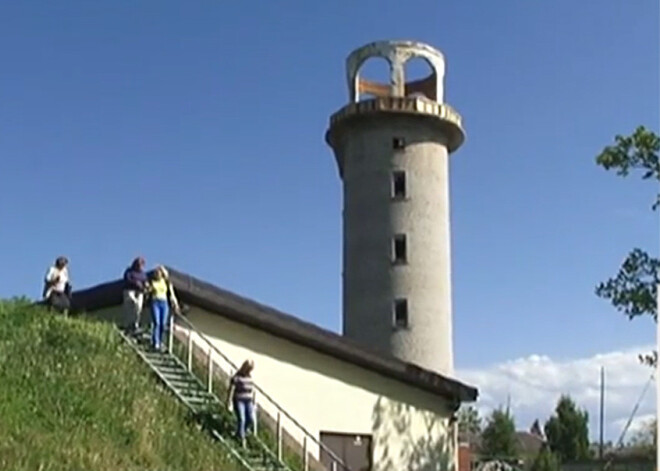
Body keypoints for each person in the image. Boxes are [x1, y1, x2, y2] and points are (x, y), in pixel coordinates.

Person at [146, 265, 179, 351]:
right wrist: (148, 288)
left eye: (159, 273)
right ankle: (155, 342)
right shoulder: (152, 282)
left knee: (163, 324)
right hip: (155, 301)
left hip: (164, 302)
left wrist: (174, 302)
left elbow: (171, 293)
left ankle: (161, 341)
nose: (157, 274)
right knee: (156, 322)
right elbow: (148, 291)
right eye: (156, 273)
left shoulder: (166, 282)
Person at [227, 359, 256, 447]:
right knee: (242, 419)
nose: (249, 371)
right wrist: (229, 402)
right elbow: (231, 389)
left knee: (250, 419)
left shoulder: (249, 377)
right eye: (248, 368)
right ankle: (241, 437)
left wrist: (254, 402)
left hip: (249, 401)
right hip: (239, 400)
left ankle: (241, 431)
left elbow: (252, 390)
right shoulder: (237, 377)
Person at [123, 257, 148, 333]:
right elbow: (127, 279)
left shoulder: (143, 274)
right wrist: (136, 283)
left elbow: (145, 282)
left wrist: (145, 286)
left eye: (141, 265)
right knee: (130, 305)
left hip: (140, 292)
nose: (140, 266)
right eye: (139, 264)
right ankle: (128, 324)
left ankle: (135, 324)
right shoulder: (129, 271)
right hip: (130, 290)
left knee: (138, 307)